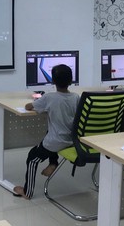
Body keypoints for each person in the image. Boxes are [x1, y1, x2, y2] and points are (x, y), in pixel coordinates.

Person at [13, 64, 79, 199]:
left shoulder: (49, 98)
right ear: (71, 80)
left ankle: (27, 192)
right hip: (72, 140)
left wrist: (34, 102)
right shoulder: (76, 97)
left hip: (56, 142)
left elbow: (29, 106)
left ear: (53, 81)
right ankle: (53, 163)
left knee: (32, 158)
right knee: (50, 131)